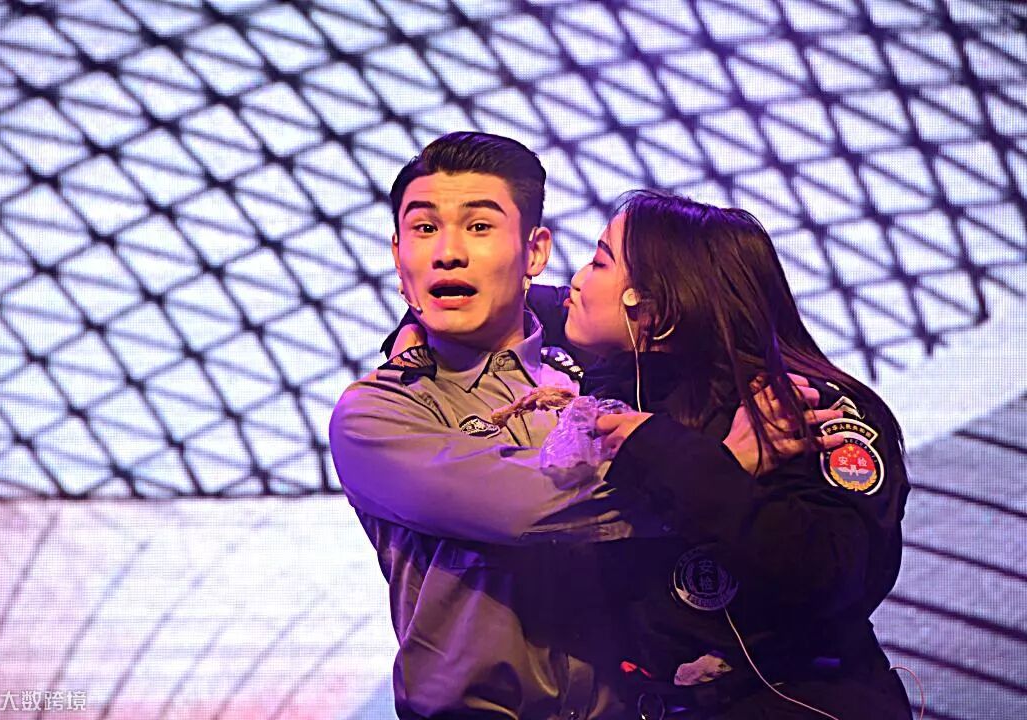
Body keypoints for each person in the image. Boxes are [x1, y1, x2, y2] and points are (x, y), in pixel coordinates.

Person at [328, 133, 841, 719]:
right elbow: (531, 507)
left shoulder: (604, 372)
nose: (448, 252)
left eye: (479, 226)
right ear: (398, 256)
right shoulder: (378, 412)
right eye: (424, 228)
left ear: (535, 251)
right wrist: (719, 470)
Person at [559, 191, 912, 719]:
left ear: (657, 305)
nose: (575, 279)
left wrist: (680, 458)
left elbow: (836, 573)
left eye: (599, 261)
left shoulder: (803, 407)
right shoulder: (625, 395)